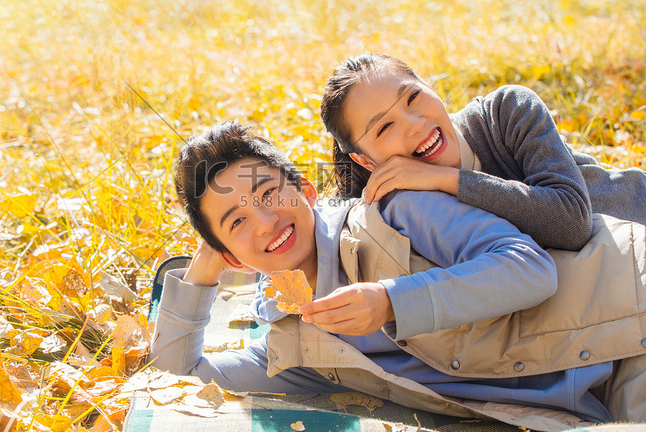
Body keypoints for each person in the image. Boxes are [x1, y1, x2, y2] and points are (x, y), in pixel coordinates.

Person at [148, 121, 646, 431]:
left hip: (628, 314)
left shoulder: (393, 213)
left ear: (304, 189)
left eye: (268, 194)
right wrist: (205, 266)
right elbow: (179, 378)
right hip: (588, 392)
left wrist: (391, 301)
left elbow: (528, 267)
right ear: (231, 255)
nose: (265, 221)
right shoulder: (299, 338)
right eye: (237, 222)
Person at [320, 53, 646, 250]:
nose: (414, 125)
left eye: (413, 98)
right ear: (364, 160)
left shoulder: (507, 111)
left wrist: (446, 179)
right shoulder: (389, 205)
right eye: (384, 127)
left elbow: (571, 224)